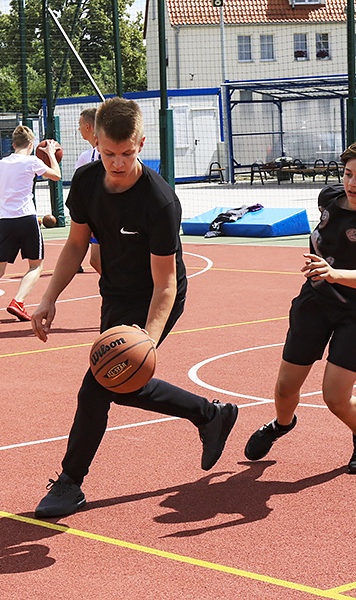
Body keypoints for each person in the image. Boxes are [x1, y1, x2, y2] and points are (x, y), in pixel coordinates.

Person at [31, 97, 237, 518]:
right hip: (117, 290)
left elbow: (165, 283)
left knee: (98, 387)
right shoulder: (87, 181)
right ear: (96, 143)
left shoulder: (159, 201)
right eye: (109, 153)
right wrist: (49, 297)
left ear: (141, 143)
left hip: (155, 294)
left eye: (127, 153)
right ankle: (209, 415)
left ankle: (70, 482)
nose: (118, 163)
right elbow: (75, 244)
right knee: (119, 380)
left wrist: (149, 339)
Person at [244, 138, 356, 474]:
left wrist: (333, 273)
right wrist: (325, 276)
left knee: (334, 395)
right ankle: (282, 424)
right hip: (315, 303)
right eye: (348, 173)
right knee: (286, 387)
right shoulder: (329, 197)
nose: (352, 183)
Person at [0, 126, 62, 324]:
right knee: (36, 265)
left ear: (13, 144)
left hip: (5, 220)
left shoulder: (1, 164)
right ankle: (18, 301)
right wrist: (50, 155)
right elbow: (56, 176)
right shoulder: (32, 161)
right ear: (31, 145)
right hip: (26, 217)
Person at [74, 107, 101, 275]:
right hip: (97, 214)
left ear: (88, 127)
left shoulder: (108, 152)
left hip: (112, 213)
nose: (78, 128)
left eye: (80, 124)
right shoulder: (87, 156)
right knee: (96, 259)